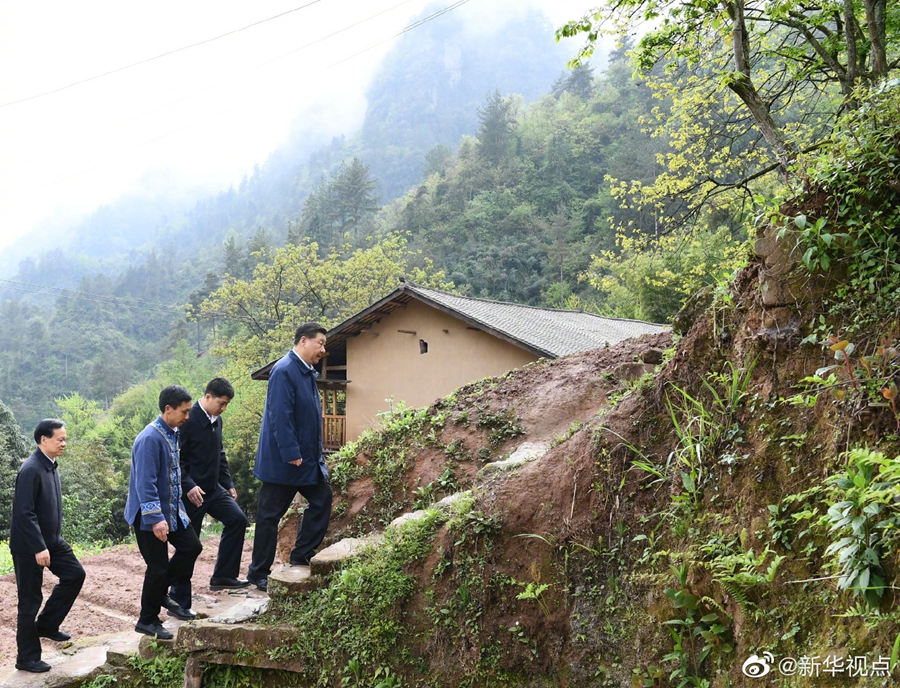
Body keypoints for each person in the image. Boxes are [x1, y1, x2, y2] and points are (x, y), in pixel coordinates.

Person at [247, 322, 332, 592]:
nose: (323, 349)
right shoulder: (284, 370)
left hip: (306, 460)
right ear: (304, 341)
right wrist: (290, 452)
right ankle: (258, 572)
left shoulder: (306, 372)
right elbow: (279, 415)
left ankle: (301, 554)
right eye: (320, 343)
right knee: (269, 516)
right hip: (284, 463)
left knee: (322, 498)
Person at [124, 385, 202, 639]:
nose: (187, 416)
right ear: (168, 409)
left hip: (172, 509)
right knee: (157, 568)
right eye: (184, 411)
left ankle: (159, 593)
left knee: (192, 547)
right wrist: (155, 518)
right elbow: (145, 482)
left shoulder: (173, 432)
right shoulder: (150, 438)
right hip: (149, 515)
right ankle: (147, 620)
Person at [9, 419, 86, 673]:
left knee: (75, 574)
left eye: (65, 439)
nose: (64, 444)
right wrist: (38, 547)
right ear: (44, 440)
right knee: (29, 601)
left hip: (52, 541)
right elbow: (24, 513)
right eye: (59, 439)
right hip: (29, 546)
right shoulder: (31, 469)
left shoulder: (50, 465)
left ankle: (47, 625)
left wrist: (49, 542)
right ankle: (27, 658)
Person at [168, 377, 249, 612]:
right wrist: (189, 485)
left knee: (237, 519)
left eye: (226, 405)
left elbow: (219, 454)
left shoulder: (217, 420)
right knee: (189, 547)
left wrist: (228, 482)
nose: (223, 408)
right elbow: (176, 460)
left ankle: (224, 575)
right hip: (192, 495)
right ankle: (179, 600)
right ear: (208, 397)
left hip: (213, 489)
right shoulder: (187, 420)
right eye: (221, 403)